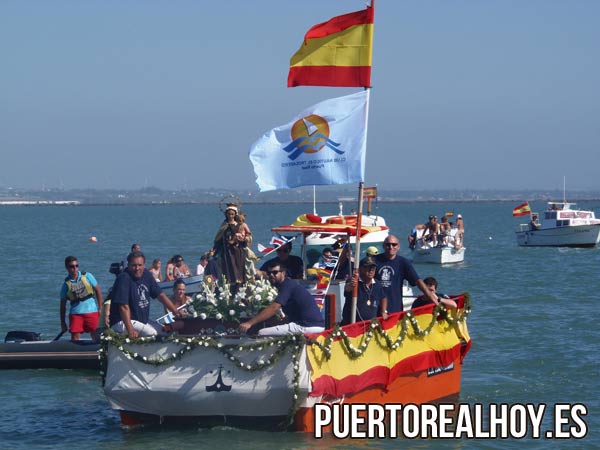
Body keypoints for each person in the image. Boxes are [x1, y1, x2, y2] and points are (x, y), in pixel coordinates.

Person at [239, 262, 325, 336]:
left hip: (307, 326)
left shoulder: (287, 285)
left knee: (262, 332)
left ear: (283, 273)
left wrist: (249, 323)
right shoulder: (288, 285)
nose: (271, 275)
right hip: (314, 325)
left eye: (275, 272)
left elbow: (274, 307)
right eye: (269, 273)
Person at [109, 251, 180, 338]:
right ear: (128, 265)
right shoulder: (123, 279)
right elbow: (123, 307)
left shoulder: (146, 275)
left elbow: (160, 295)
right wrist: (130, 330)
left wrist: (175, 312)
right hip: (122, 322)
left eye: (140, 265)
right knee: (152, 332)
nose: (137, 268)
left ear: (144, 265)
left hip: (141, 321)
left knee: (166, 332)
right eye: (134, 265)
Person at [374, 235, 438, 313]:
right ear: (383, 246)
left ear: (398, 247)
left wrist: (431, 297)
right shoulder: (374, 261)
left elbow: (417, 281)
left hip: (394, 308)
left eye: (394, 244)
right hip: (375, 308)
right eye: (388, 244)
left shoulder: (403, 262)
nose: (391, 247)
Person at [60, 256, 103, 341]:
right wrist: (63, 323)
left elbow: (98, 291)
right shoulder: (66, 284)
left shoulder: (87, 276)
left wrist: (101, 308)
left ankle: (98, 353)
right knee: (75, 337)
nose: (75, 269)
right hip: (76, 314)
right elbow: (62, 306)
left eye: (76, 266)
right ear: (67, 268)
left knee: (96, 335)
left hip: (91, 311)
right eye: (72, 267)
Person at [341, 256, 388, 325]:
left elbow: (383, 298)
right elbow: (347, 289)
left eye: (373, 268)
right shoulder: (354, 281)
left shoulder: (377, 284)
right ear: (360, 268)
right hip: (352, 325)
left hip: (371, 326)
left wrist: (383, 311)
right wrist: (350, 286)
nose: (371, 270)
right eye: (368, 267)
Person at [213, 204, 248, 288]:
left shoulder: (239, 224)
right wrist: (215, 248)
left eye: (232, 214)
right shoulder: (224, 225)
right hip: (227, 251)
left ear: (235, 214)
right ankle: (229, 284)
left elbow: (247, 235)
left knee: (239, 267)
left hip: (237, 250)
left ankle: (240, 283)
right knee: (228, 269)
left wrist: (244, 239)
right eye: (229, 214)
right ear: (226, 214)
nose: (231, 216)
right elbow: (218, 237)